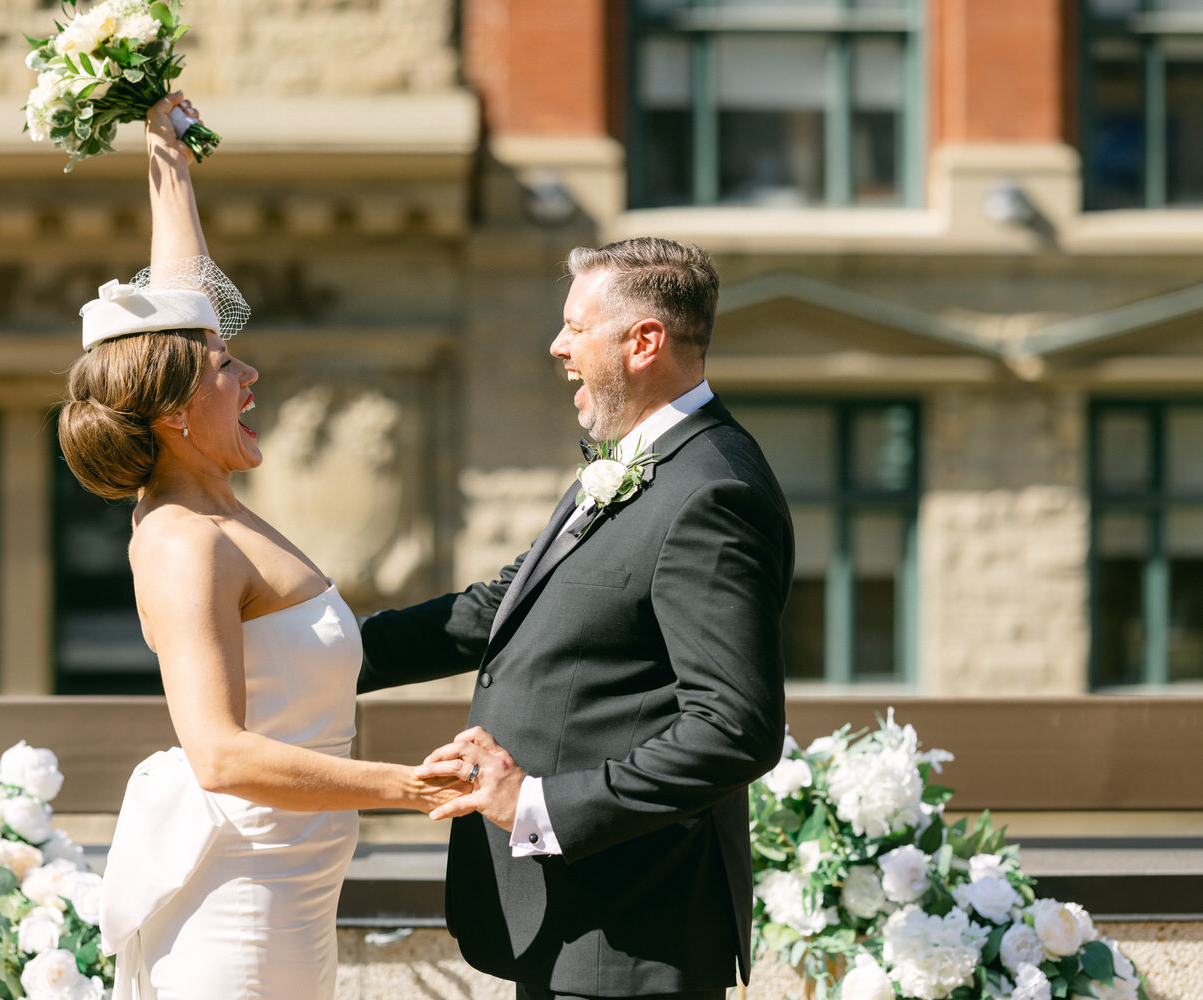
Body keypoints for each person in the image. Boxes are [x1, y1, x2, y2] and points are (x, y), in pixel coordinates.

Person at [58, 93, 464, 1000]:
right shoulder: (182, 544)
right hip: (235, 911)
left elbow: (184, 283)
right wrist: (409, 786)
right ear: (173, 418)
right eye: (223, 370)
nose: (249, 374)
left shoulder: (214, 503)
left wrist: (165, 150)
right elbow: (221, 755)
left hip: (294, 899)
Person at [358, 238, 795, 1000]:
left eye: (575, 327)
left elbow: (734, 729)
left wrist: (536, 806)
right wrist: (324, 651)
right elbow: (509, 603)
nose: (557, 347)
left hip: (628, 934)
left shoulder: (712, 492)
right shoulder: (635, 458)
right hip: (571, 929)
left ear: (644, 341)